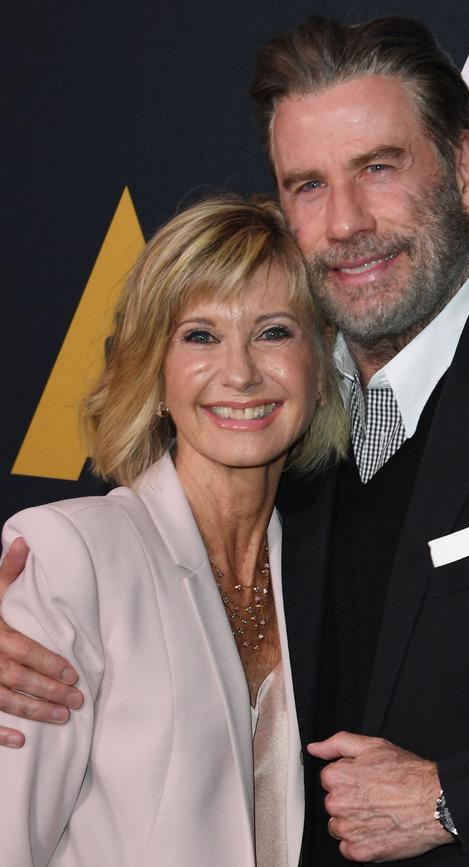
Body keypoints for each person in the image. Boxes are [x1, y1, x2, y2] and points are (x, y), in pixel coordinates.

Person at [1, 14, 469, 867]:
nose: (343, 223)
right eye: (307, 184)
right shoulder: (285, 427)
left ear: (461, 170)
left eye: (377, 169)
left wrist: (458, 799)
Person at [0, 194, 346, 866]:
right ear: (155, 372)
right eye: (200, 335)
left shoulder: (328, 568)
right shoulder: (76, 560)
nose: (241, 372)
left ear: (321, 366)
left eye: (274, 331)